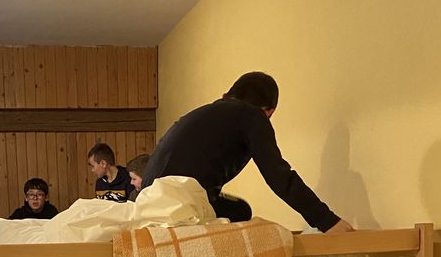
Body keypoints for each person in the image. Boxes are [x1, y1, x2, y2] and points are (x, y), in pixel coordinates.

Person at [141, 72, 353, 233]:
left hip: (148, 200)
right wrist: (328, 222)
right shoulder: (252, 115)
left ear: (226, 95)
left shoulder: (204, 113)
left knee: (238, 210)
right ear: (269, 111)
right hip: (178, 202)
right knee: (240, 212)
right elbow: (278, 176)